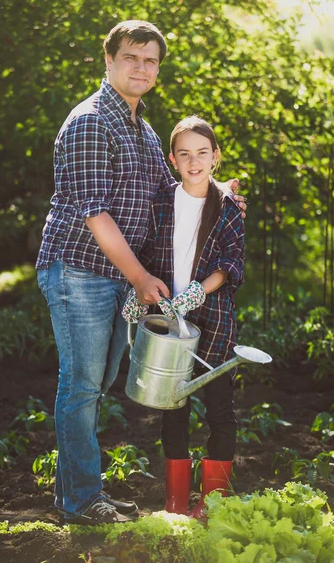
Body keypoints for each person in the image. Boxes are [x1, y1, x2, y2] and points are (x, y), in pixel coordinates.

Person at [36, 20, 246, 526]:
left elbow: (174, 192)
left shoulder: (146, 131)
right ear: (108, 60)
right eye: (132, 57)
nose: (142, 68)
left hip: (115, 276)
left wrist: (222, 195)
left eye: (151, 60)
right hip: (80, 270)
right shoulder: (90, 122)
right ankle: (82, 501)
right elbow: (93, 212)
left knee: (95, 383)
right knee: (82, 386)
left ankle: (77, 497)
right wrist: (137, 277)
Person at [122, 115, 245, 519]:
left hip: (213, 318)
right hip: (169, 323)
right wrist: (138, 292)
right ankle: (175, 500)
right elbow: (144, 253)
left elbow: (230, 264)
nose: (194, 162)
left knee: (219, 409)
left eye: (202, 153)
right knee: (173, 409)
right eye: (185, 154)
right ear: (172, 159)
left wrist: (198, 290)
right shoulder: (160, 201)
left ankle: (213, 503)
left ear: (216, 157)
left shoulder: (228, 206)